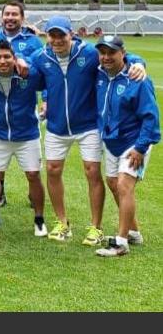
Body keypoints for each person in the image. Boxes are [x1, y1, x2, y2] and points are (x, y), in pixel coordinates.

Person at [31, 16, 146, 245]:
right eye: (51, 35)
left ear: (71, 34)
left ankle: (96, 227)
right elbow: (35, 78)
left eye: (61, 35)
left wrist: (139, 62)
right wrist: (44, 98)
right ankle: (62, 223)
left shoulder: (89, 53)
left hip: (88, 125)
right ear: (46, 36)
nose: (56, 40)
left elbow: (118, 55)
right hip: (56, 125)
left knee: (92, 172)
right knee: (53, 170)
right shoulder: (39, 57)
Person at [94, 35, 160, 257]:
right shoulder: (99, 74)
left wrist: (141, 147)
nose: (106, 57)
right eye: (102, 53)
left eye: (111, 52)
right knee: (113, 183)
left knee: (124, 185)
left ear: (123, 53)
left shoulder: (137, 79)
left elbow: (151, 118)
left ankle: (121, 242)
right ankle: (134, 231)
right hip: (111, 141)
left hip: (134, 141)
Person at [0, 40, 48, 235]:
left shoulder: (29, 74)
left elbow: (48, 79)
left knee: (33, 175)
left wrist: (46, 100)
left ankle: (39, 219)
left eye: (7, 56)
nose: (2, 61)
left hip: (27, 135)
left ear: (14, 58)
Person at [0, 0, 43, 208]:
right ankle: (0, 192)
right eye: (7, 14)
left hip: (23, 102)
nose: (10, 18)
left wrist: (46, 99)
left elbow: (43, 69)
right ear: (1, 17)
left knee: (29, 156)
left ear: (22, 18)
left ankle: (33, 195)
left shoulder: (33, 40)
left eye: (15, 14)